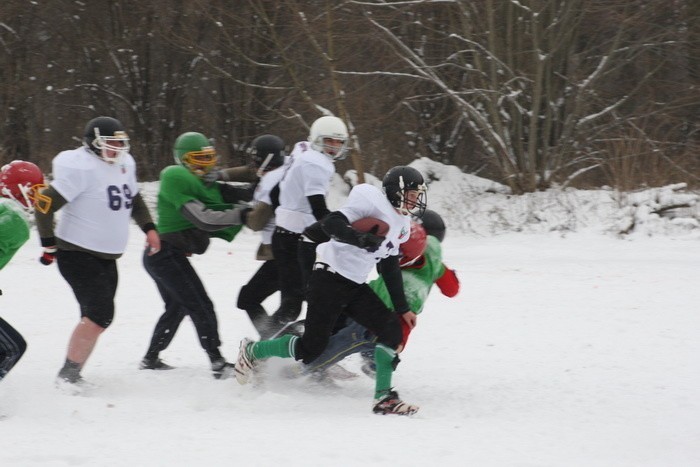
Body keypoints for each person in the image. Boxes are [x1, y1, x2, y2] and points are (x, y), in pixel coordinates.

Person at [234, 165, 428, 416]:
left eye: (417, 194)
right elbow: (333, 222)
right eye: (411, 193)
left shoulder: (401, 223)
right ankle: (253, 351)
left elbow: (389, 265)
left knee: (390, 328)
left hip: (353, 285)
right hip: (328, 279)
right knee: (310, 349)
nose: (415, 199)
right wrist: (357, 238)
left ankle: (384, 398)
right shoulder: (370, 201)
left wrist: (403, 308)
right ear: (395, 191)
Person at [35, 116, 161, 390]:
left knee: (97, 319)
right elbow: (44, 204)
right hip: (76, 253)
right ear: (93, 143)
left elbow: (134, 198)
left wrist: (149, 228)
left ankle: (73, 373)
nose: (117, 148)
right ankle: (67, 376)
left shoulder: (125, 164)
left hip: (107, 257)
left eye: (120, 143)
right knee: (100, 314)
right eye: (111, 143)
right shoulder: (82, 167)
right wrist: (48, 242)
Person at [140, 131, 256, 378]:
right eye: (199, 159)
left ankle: (150, 358)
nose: (206, 164)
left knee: (177, 307)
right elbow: (203, 218)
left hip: (162, 254)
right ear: (183, 160)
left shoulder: (205, 184)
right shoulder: (175, 177)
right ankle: (216, 362)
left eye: (209, 158)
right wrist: (242, 214)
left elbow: (243, 191)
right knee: (199, 303)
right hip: (164, 254)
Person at [298, 210, 459, 379]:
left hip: (371, 313)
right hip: (367, 303)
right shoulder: (435, 265)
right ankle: (324, 359)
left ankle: (310, 365)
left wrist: (395, 347)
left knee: (344, 338)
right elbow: (452, 289)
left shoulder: (409, 278)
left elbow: (402, 319)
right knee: (338, 328)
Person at [267, 116, 349, 336]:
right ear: (317, 139)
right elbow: (318, 209)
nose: (334, 147)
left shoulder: (304, 151)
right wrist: (345, 230)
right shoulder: (315, 163)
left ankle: (271, 352)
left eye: (339, 142)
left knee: (303, 300)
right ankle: (259, 354)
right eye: (329, 141)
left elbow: (276, 192)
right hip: (294, 239)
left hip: (289, 235)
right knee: (301, 302)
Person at [232, 135, 289, 338]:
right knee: (289, 307)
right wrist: (220, 174)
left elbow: (256, 223)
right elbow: (250, 172)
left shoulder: (273, 181)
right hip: (298, 249)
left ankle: (273, 347)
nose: (253, 163)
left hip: (283, 252)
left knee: (248, 299)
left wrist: (241, 213)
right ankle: (279, 347)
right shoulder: (287, 168)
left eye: (256, 158)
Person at [0, 161, 46, 384]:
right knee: (11, 348)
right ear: (19, 190)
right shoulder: (14, 219)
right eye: (35, 189)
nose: (39, 195)